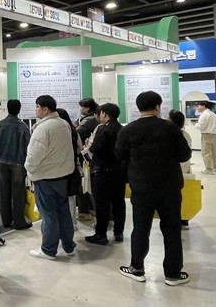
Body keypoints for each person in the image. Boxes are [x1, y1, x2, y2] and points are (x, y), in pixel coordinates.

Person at [115, 91, 191, 286]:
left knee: (140, 228)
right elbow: (185, 155)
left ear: (138, 107)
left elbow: (120, 155)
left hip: (141, 186)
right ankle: (173, 274)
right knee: (172, 229)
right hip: (170, 187)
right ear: (158, 106)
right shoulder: (171, 128)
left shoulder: (128, 130)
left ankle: (137, 268)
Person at [25, 95, 76, 260]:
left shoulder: (43, 128)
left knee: (48, 215)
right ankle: (68, 246)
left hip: (45, 177)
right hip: (62, 176)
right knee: (63, 212)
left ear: (45, 109)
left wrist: (29, 168)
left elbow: (34, 155)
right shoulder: (64, 124)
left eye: (37, 106)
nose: (35, 110)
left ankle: (48, 249)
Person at [85, 103, 125, 245]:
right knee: (119, 202)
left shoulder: (103, 129)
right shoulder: (122, 129)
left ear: (104, 114)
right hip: (119, 172)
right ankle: (119, 232)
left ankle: (101, 234)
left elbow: (95, 148)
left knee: (102, 203)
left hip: (103, 171)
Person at [0, 99, 31, 230]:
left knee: (3, 192)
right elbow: (28, 146)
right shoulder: (22, 126)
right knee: (18, 193)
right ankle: (19, 221)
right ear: (19, 109)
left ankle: (6, 220)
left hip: (1, 163)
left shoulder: (0, 125)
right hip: (18, 163)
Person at [55, 108, 82, 231]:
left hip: (58, 169)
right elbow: (79, 148)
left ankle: (62, 223)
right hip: (72, 167)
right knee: (71, 198)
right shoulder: (74, 131)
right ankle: (72, 223)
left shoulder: (56, 132)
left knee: (60, 199)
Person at [74, 97, 99, 221]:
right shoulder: (91, 119)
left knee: (84, 184)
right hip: (92, 158)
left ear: (88, 108)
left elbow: (78, 134)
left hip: (85, 158)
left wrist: (74, 128)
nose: (80, 109)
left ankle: (84, 211)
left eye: (81, 107)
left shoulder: (88, 120)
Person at [168, 109, 193, 229]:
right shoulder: (186, 135)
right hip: (184, 168)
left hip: (174, 170)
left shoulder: (170, 135)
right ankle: (184, 219)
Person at [195, 101, 216, 175]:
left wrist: (196, 125)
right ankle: (214, 167)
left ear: (204, 106)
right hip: (214, 135)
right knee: (214, 152)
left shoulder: (204, 115)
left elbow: (201, 126)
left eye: (198, 106)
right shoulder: (214, 115)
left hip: (206, 135)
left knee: (206, 152)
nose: (197, 108)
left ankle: (208, 169)